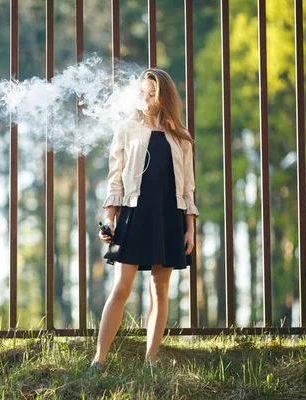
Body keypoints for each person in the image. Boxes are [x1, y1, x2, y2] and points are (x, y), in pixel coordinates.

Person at [92, 68, 199, 370]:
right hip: (134, 212)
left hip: (169, 216)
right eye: (143, 92)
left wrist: (190, 228)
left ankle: (151, 361)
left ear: (164, 95)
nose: (147, 98)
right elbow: (116, 176)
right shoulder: (127, 127)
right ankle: (98, 360)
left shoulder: (182, 137)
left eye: (153, 93)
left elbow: (189, 187)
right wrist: (111, 219)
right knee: (121, 288)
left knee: (160, 289)